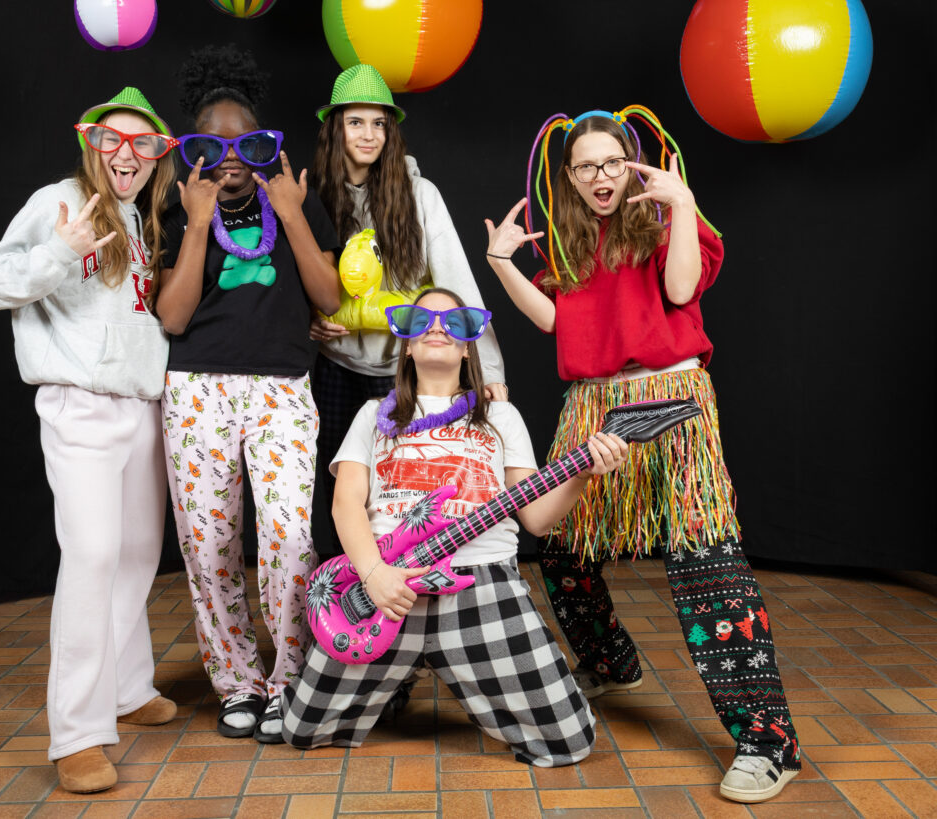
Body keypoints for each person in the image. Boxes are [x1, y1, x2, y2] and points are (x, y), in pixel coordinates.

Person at [483, 108, 800, 802]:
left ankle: (767, 742)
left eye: (611, 162)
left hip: (673, 400)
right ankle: (609, 662)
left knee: (704, 560)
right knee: (562, 548)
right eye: (586, 167)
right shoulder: (569, 243)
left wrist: (682, 203)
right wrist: (501, 262)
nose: (600, 176)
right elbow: (558, 321)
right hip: (593, 408)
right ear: (570, 177)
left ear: (631, 164)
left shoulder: (665, 220)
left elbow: (682, 289)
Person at [281, 288, 628, 767]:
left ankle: (414, 675)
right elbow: (345, 506)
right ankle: (399, 675)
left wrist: (584, 473)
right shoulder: (372, 415)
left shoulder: (500, 416)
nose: (438, 328)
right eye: (422, 321)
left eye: (455, 322)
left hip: (480, 581)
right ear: (407, 344)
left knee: (570, 740)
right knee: (302, 729)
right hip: (385, 582)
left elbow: (537, 518)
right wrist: (374, 575)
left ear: (468, 347)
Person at [0, 87, 179, 793]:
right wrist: (60, 252)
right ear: (90, 144)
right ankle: (79, 735)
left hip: (142, 405)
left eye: (143, 144)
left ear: (157, 156)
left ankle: (126, 686)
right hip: (80, 405)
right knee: (91, 555)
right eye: (112, 140)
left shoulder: (144, 217)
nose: (128, 154)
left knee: (136, 553)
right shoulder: (57, 201)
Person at [157, 45, 340, 743]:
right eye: (212, 145)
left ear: (264, 146)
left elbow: (329, 295)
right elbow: (174, 317)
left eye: (246, 143)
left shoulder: (297, 200)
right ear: (193, 150)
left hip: (281, 389)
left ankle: (289, 678)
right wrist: (198, 223)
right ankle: (236, 680)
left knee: (289, 538)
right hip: (197, 389)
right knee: (210, 547)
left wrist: (292, 215)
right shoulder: (176, 211)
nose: (230, 158)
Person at [308, 63, 507, 556]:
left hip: (402, 368)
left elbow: (458, 284)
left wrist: (488, 370)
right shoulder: (314, 196)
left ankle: (405, 588)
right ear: (335, 128)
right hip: (335, 368)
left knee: (403, 490)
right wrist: (307, 318)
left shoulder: (420, 195)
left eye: (379, 123)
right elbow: (298, 275)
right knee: (336, 489)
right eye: (356, 122)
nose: (368, 134)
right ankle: (345, 590)